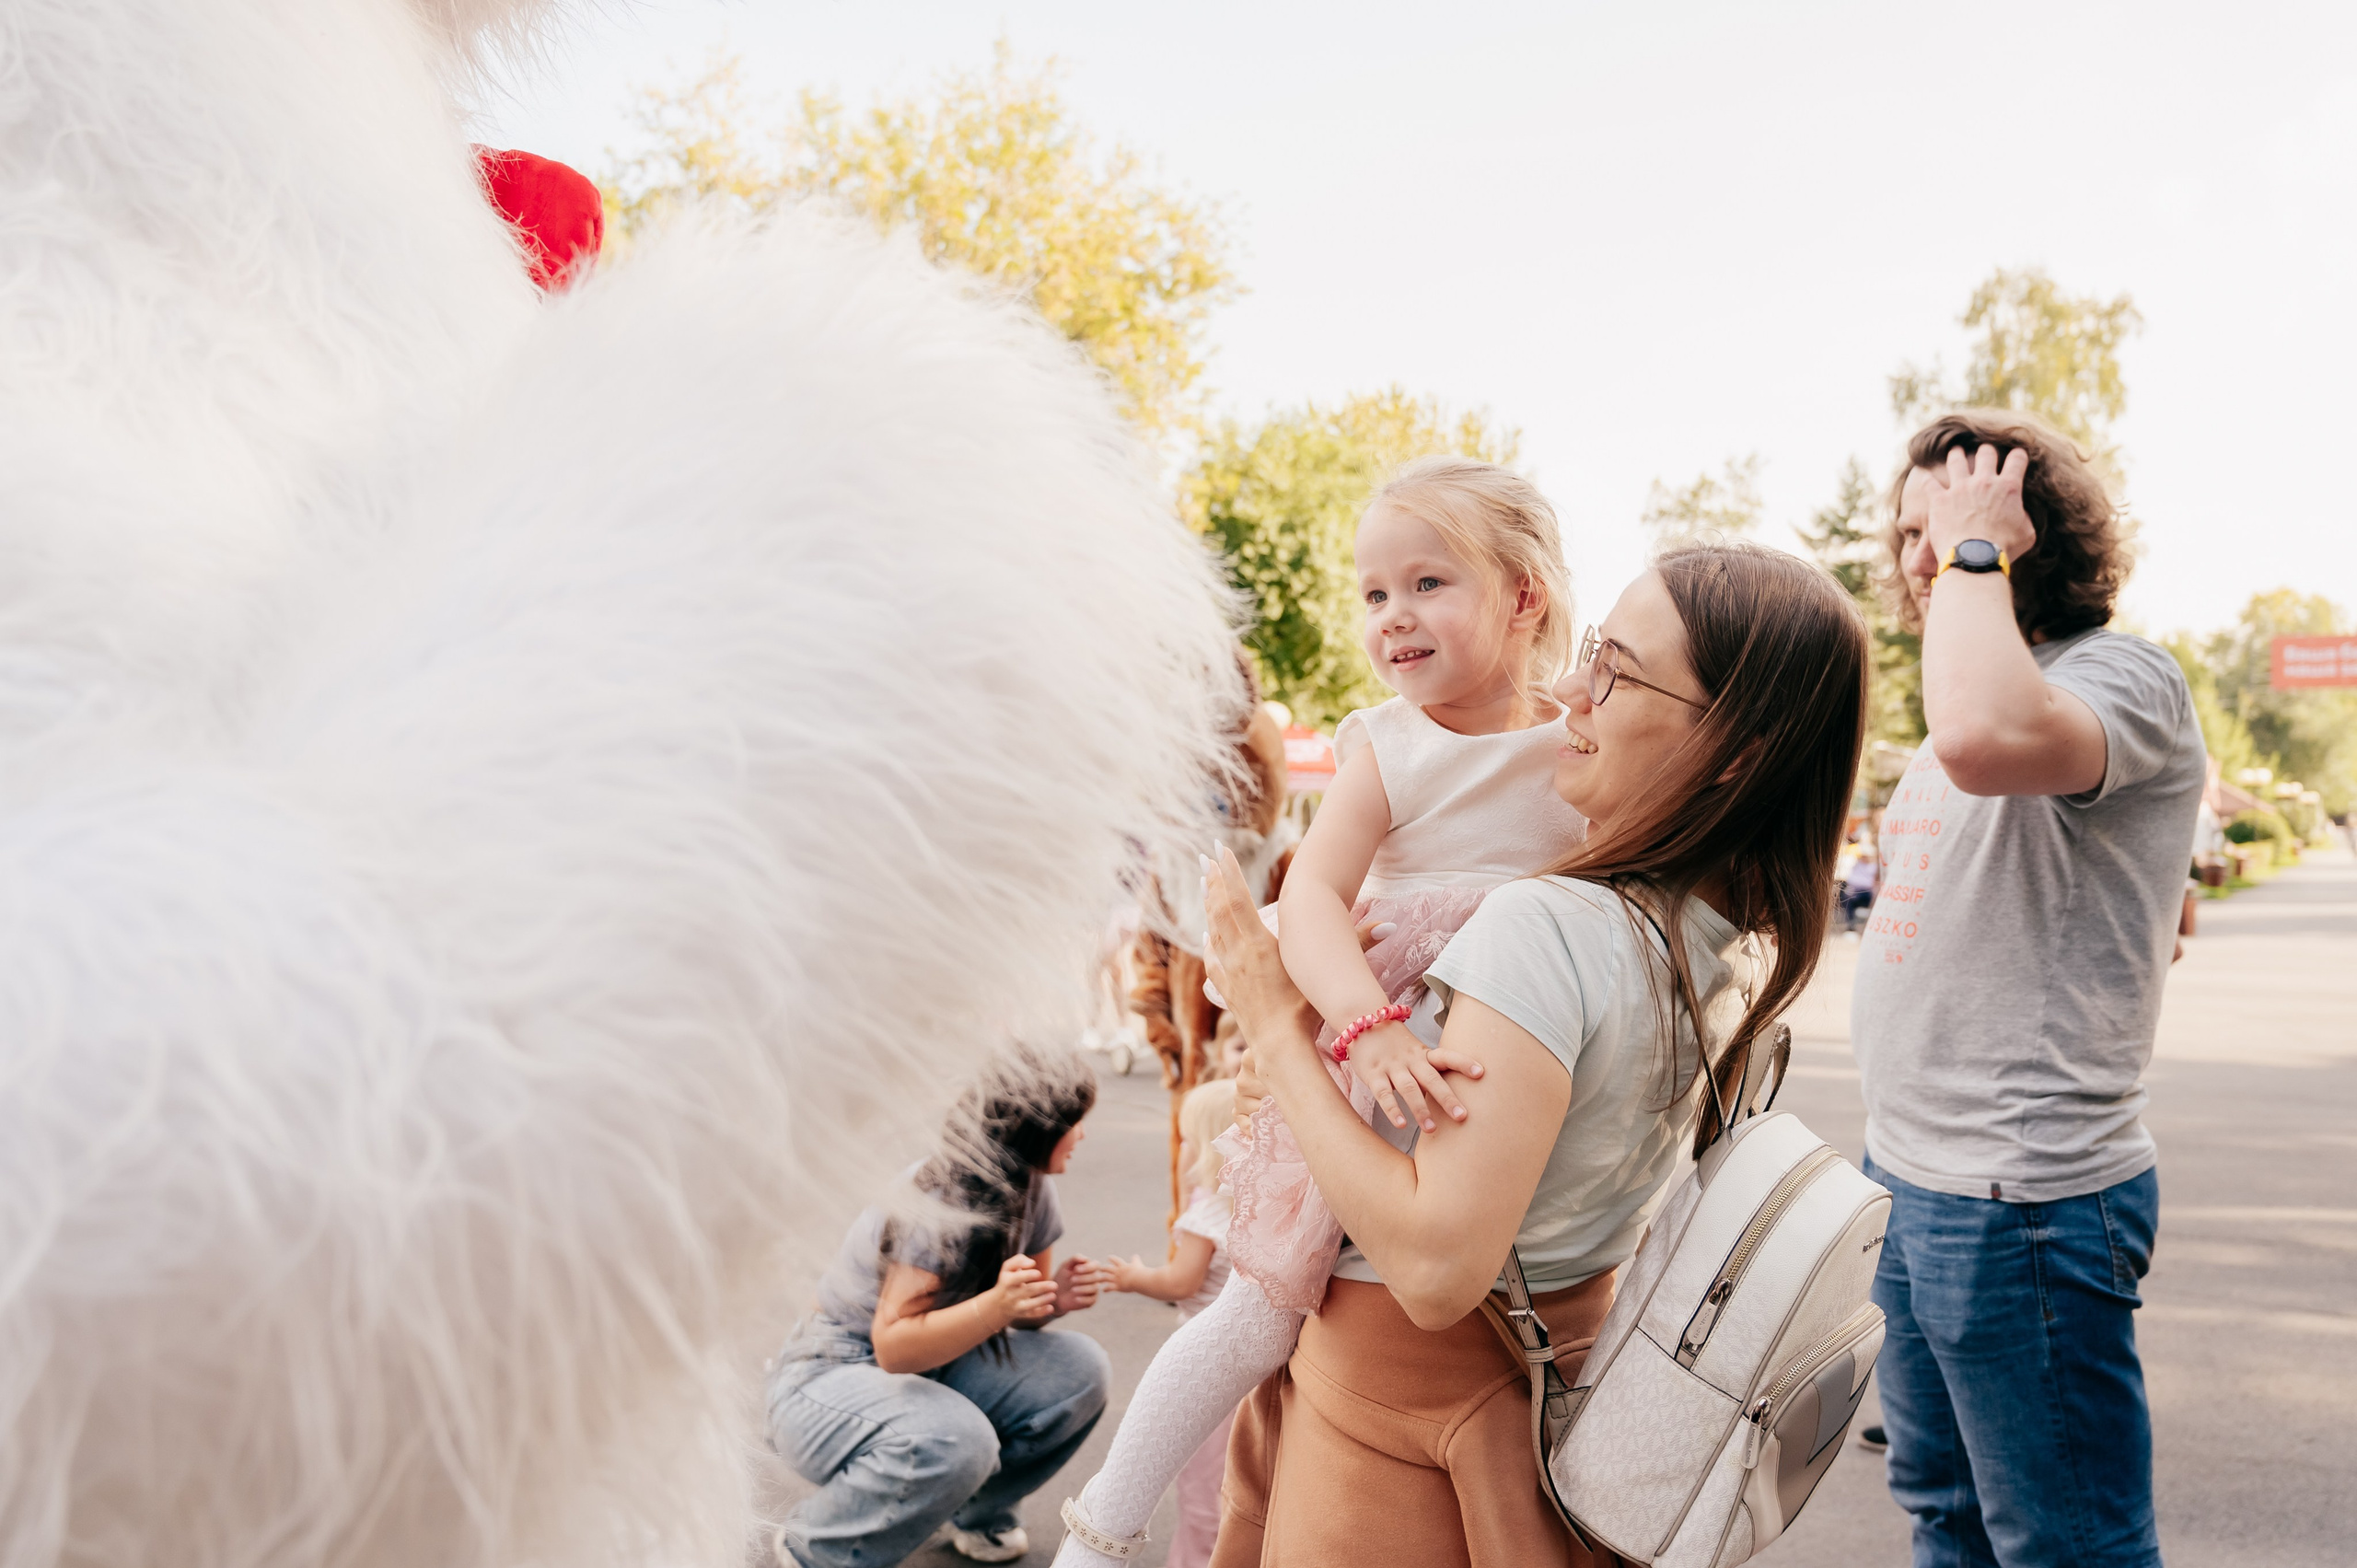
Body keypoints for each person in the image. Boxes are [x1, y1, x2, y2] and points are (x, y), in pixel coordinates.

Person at [1194, 543, 1868, 1566]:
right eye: (1591, 649)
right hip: (1556, 1398)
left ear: (1734, 749)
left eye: (1616, 672)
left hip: (1395, 1434)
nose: (1568, 690)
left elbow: (1433, 1267)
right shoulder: (1732, 940)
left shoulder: (1546, 927)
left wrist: (1275, 1022)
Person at [1055, 457, 1587, 1563]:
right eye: (1374, 592)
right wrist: (1361, 1021)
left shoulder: (1578, 740)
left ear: (1524, 593)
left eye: (1427, 582)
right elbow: (1309, 900)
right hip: (1370, 1053)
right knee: (1261, 1305)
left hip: (1505, 1068)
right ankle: (1103, 1522)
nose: (1392, 614)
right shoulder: (1388, 744)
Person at [1852, 412, 2204, 1568]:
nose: (1922, 556)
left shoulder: (2121, 673)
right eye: (1909, 532)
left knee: (2066, 1544)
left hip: (2021, 1199)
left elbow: (1984, 734)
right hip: (1911, 1174)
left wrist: (1975, 556)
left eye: (1949, 524)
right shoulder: (1970, 697)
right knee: (1943, 1511)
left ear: (2023, 531)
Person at [767, 1052, 1114, 1566]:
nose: (1081, 1135)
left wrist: (1050, 1301)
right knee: (956, 1440)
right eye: (1073, 1122)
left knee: (1080, 1371)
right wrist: (997, 1306)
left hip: (938, 1358)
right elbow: (894, 1349)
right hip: (830, 1371)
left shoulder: (1035, 1188)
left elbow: (1016, 1310)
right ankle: (818, 1546)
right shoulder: (942, 1199)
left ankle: (975, 1514)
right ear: (1036, 1130)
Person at [1105, 1077, 1242, 1568]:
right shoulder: (1250, 1207)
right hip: (1250, 1367)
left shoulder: (1205, 1217)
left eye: (1185, 1139)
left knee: (1203, 1481)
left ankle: (1197, 1559)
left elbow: (1180, 1282)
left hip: (1205, 1366)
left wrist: (1133, 1278)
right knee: (1244, 1477)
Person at [1840, 841, 1879, 931]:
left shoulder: (1874, 867)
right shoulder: (1857, 865)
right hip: (1856, 891)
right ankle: (1851, 924)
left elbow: (1871, 883)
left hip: (1868, 893)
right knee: (1847, 898)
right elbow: (1850, 879)